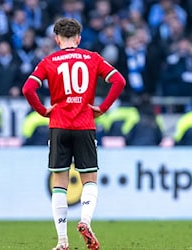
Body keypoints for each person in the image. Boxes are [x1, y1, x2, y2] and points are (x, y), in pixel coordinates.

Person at [22, 18, 126, 250]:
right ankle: (85, 220)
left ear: (56, 38)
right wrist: (102, 108)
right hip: (84, 124)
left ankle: (62, 241)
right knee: (89, 179)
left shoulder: (49, 61)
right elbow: (119, 80)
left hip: (58, 125)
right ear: (78, 38)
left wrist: (42, 110)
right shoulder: (92, 58)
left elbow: (28, 88)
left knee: (59, 181)